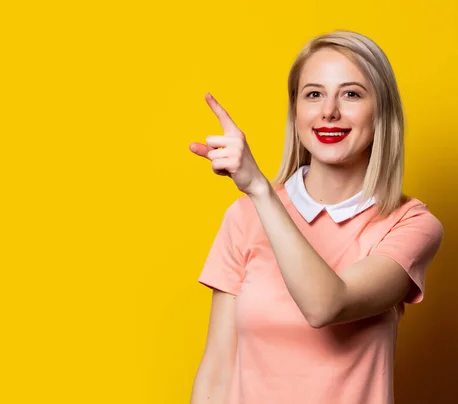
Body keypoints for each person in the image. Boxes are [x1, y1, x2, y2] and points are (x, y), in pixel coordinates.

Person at [188, 30, 444, 404]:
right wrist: (260, 197)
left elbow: (326, 305)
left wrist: (260, 189)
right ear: (296, 111)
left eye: (351, 94)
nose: (329, 111)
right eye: (314, 94)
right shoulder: (244, 216)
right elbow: (216, 372)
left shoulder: (410, 224)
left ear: (382, 111)